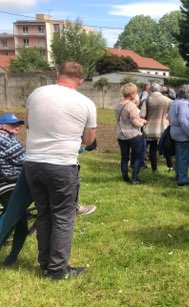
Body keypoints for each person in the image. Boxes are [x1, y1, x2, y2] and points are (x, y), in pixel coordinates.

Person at [24, 61, 97, 280]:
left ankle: (45, 264)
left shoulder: (36, 93)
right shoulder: (86, 103)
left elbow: (27, 123)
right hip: (62, 165)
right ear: (81, 81)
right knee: (64, 217)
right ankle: (57, 270)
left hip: (33, 162)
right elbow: (88, 140)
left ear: (58, 75)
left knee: (44, 214)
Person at [116, 83, 147, 184]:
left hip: (121, 134)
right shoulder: (131, 106)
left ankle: (125, 176)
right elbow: (135, 123)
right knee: (137, 157)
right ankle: (135, 178)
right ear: (132, 94)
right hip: (133, 135)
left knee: (124, 157)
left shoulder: (118, 104)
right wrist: (142, 122)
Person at [143, 83, 172, 172]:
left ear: (151, 90)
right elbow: (173, 109)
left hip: (151, 128)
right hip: (164, 126)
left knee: (153, 148)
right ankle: (170, 166)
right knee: (167, 147)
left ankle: (154, 168)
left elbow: (142, 114)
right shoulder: (167, 100)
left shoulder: (147, 100)